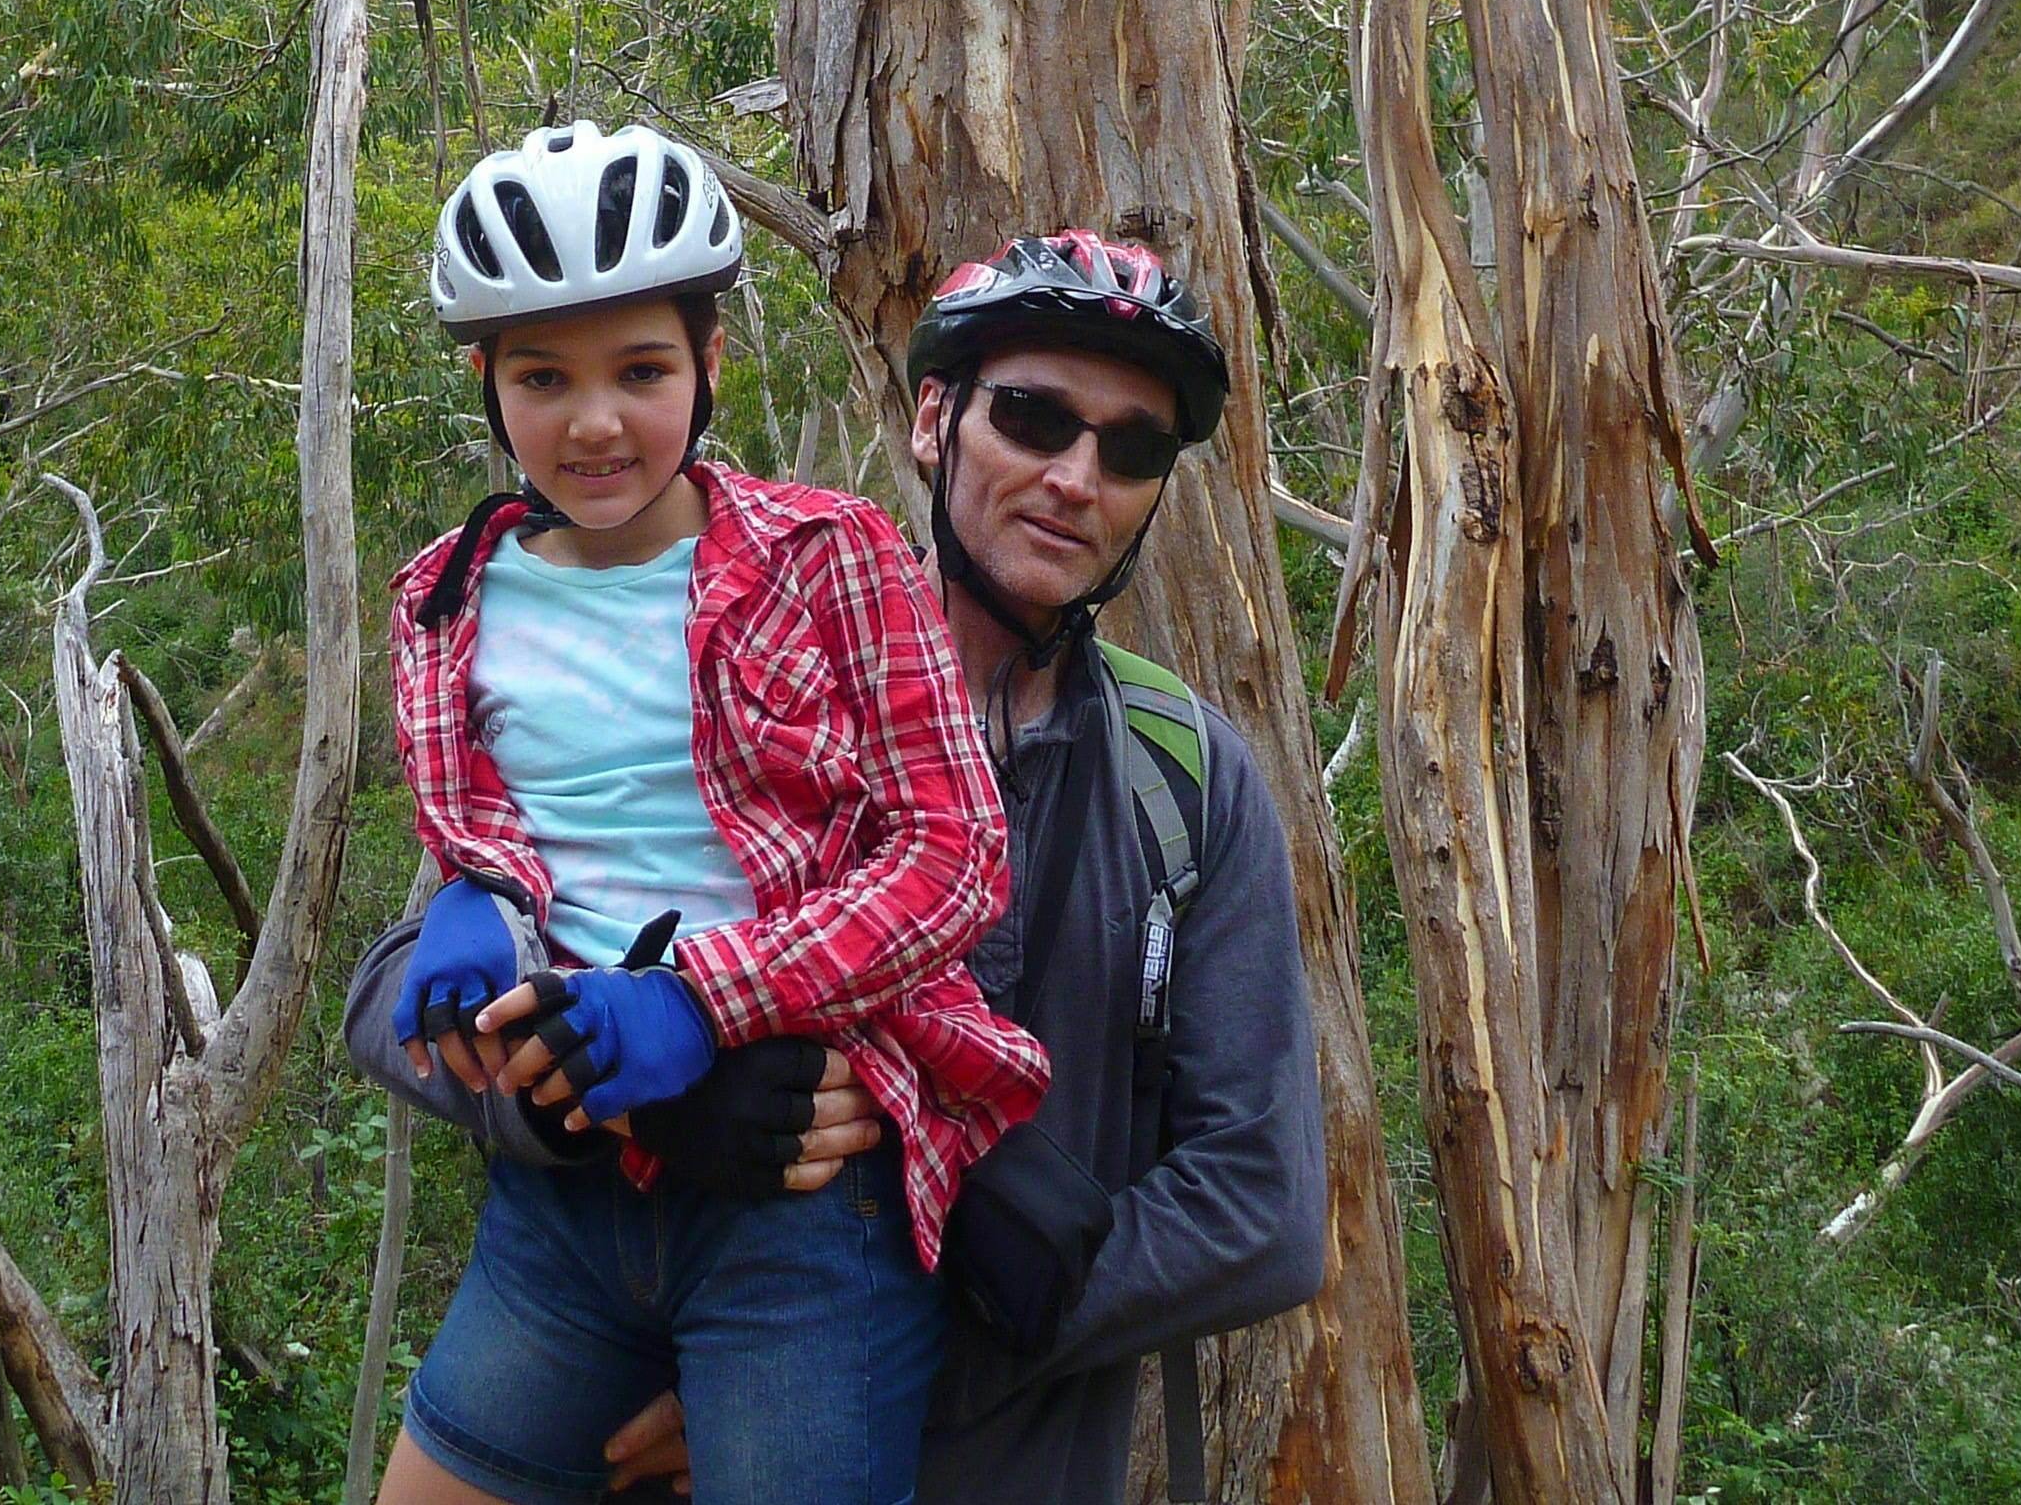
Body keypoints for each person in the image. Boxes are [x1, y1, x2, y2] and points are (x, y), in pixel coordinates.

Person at [351, 119, 1048, 1505]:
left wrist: (700, 999)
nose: (593, 420)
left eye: (642, 370)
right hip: (564, 1203)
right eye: (544, 376)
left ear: (711, 366)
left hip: (803, 1200)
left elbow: (958, 854)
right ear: (489, 383)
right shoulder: (443, 595)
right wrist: (474, 910)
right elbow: (482, 827)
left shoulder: (830, 556)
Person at [584, 229, 1332, 1505]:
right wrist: (616, 1090)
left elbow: (1262, 1210)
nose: (1076, 478)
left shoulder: (1186, 781)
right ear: (936, 421)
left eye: (1132, 448)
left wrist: (820, 1372)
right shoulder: (740, 672)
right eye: (1035, 419)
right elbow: (413, 999)